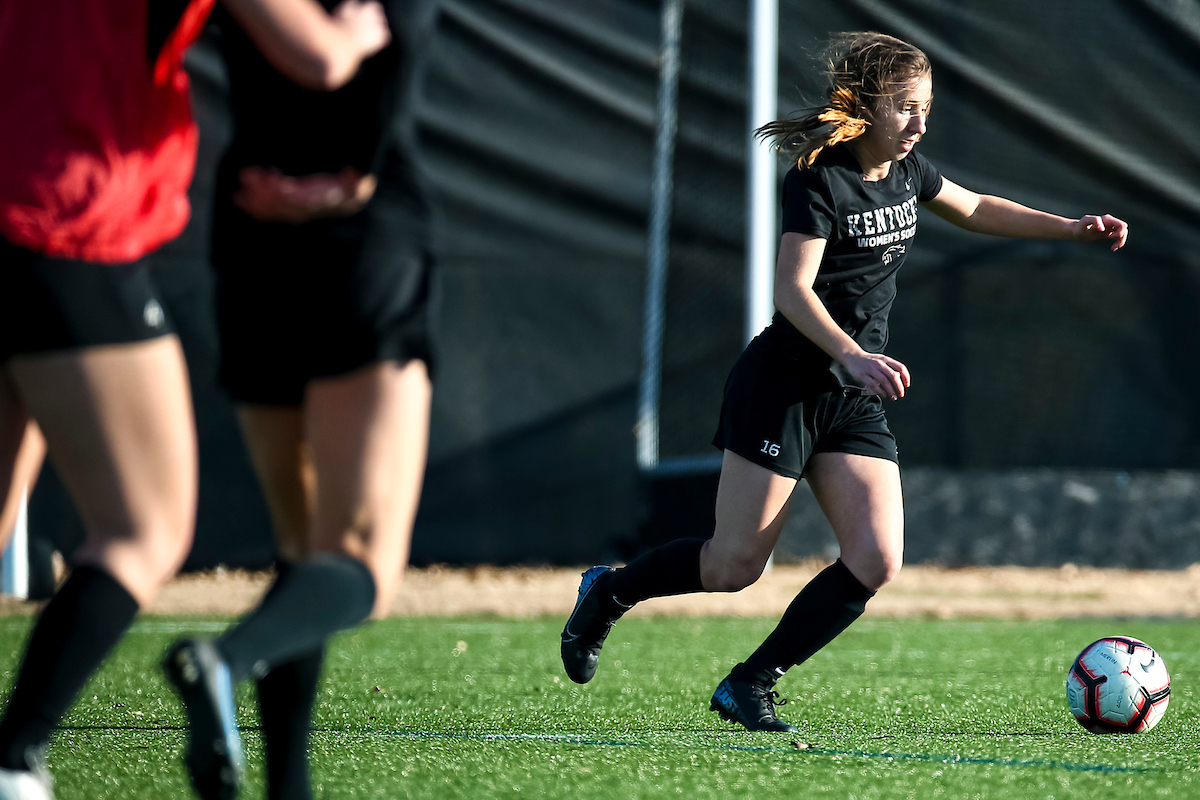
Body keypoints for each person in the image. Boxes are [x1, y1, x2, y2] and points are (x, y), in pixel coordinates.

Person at [560, 31, 1128, 732]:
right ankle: (610, 593)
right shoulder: (818, 178)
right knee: (734, 566)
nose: (920, 124)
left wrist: (1071, 230)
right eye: (905, 109)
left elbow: (975, 208)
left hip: (853, 398)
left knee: (877, 557)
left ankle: (750, 682)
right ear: (863, 107)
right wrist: (849, 354)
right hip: (785, 389)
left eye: (925, 108)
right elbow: (792, 290)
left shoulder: (908, 170)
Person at [0, 3, 394, 800]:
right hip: (60, 213)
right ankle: (14, 757)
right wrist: (356, 31)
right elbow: (314, 55)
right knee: (143, 529)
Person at [161, 2, 441, 799]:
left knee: (302, 543)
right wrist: (345, 180)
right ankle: (224, 658)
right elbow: (394, 57)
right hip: (362, 235)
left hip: (250, 231)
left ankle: (289, 786)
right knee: (358, 562)